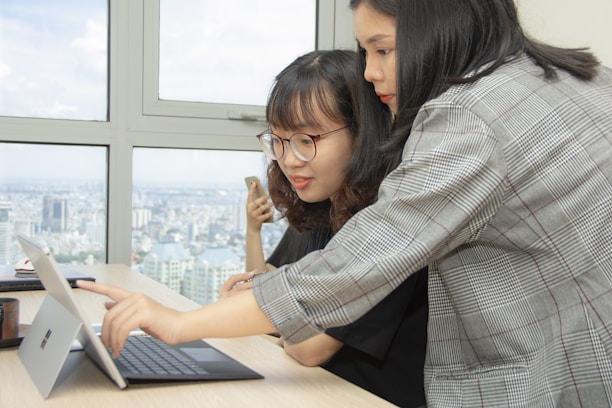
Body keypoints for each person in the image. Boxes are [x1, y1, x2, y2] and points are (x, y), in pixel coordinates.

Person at [78, 0, 612, 406]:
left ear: (439, 30)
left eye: (383, 49)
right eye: (365, 54)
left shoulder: (467, 118)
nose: (372, 73)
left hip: (553, 379)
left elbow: (347, 272)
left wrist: (181, 324)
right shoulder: (585, 82)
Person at [224, 49, 428, 407]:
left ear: (361, 133)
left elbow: (309, 346)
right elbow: (265, 292)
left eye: (307, 141)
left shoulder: (390, 224)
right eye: (279, 141)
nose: (288, 160)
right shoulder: (319, 208)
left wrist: (267, 313)